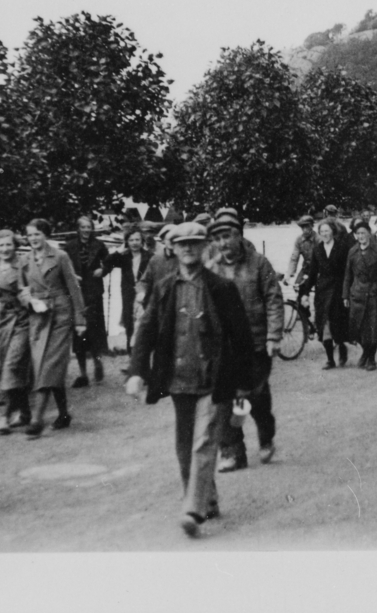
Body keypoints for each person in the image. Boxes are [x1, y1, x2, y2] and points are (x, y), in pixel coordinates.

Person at [124, 222, 255, 538]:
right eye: (182, 244)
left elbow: (242, 338)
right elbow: (147, 331)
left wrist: (245, 384)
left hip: (214, 379)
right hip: (178, 378)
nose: (188, 249)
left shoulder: (221, 288)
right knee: (184, 446)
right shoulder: (165, 286)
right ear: (172, 248)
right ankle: (206, 500)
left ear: (204, 246)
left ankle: (192, 508)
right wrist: (137, 372)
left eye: (194, 243)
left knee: (204, 441)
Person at [205, 208, 283, 472]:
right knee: (226, 400)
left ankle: (266, 435)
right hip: (225, 349)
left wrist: (273, 336)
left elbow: (273, 298)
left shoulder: (259, 264)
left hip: (257, 344)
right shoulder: (211, 268)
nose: (223, 242)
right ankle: (232, 451)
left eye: (227, 236)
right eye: (217, 238)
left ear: (238, 235)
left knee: (255, 397)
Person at [18, 218, 87, 438]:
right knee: (46, 367)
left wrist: (79, 319)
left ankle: (37, 419)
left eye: (37, 234)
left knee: (50, 365)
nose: (33, 239)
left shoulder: (60, 256)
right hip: (38, 318)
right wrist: (30, 300)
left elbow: (73, 287)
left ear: (45, 235)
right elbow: (22, 289)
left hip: (59, 315)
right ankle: (64, 413)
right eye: (29, 235)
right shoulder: (24, 260)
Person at [0, 230, 32, 435]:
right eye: (0, 245)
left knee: (12, 366)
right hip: (0, 320)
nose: (4, 249)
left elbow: (35, 289)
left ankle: (5, 415)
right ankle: (25, 411)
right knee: (5, 366)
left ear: (15, 245)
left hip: (23, 319)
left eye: (8, 245)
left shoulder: (24, 265)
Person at [343, 218, 377, 371]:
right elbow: (348, 275)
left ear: (369, 234)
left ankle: (371, 357)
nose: (361, 236)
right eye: (358, 233)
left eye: (364, 233)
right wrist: (345, 295)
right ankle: (365, 352)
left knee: (373, 328)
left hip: (375, 294)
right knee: (357, 328)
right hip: (357, 294)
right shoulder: (352, 251)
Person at [64, 216, 110, 387]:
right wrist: (71, 276)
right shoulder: (69, 246)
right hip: (76, 292)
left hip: (94, 292)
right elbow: (63, 266)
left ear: (92, 228)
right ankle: (83, 373)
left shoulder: (99, 245)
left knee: (95, 331)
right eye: (83, 227)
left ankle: (98, 362)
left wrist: (102, 269)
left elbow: (109, 262)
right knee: (78, 334)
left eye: (89, 227)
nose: (86, 230)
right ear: (78, 228)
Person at [301, 220, 351, 369]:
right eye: (322, 232)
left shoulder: (342, 247)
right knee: (324, 325)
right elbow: (312, 273)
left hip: (338, 290)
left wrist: (346, 293)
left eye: (327, 231)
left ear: (333, 232)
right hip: (322, 291)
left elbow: (348, 272)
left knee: (337, 324)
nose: (324, 234)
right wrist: (305, 292)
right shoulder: (317, 249)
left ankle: (342, 346)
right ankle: (330, 359)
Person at [104, 225, 155, 351]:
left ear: (142, 241)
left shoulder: (149, 256)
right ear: (127, 242)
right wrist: (120, 249)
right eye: (131, 240)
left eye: (137, 240)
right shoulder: (123, 256)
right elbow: (107, 261)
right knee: (128, 321)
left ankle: (145, 354)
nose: (134, 243)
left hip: (145, 293)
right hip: (128, 293)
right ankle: (131, 355)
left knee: (145, 322)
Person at [285, 215, 317, 335]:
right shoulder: (299, 240)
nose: (304, 230)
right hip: (306, 269)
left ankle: (320, 321)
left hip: (319, 270)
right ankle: (307, 320)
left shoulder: (318, 239)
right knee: (298, 289)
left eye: (307, 227)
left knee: (320, 295)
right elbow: (294, 258)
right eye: (302, 227)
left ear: (312, 226)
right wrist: (289, 274)